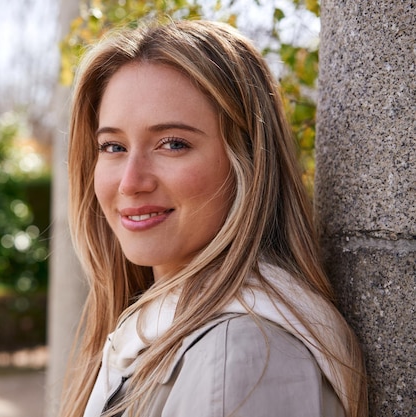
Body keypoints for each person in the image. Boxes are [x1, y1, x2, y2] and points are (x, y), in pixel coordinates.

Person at [60, 20, 367, 417]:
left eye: (173, 144)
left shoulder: (241, 356)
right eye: (113, 146)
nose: (131, 182)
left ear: (248, 163)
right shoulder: (154, 332)